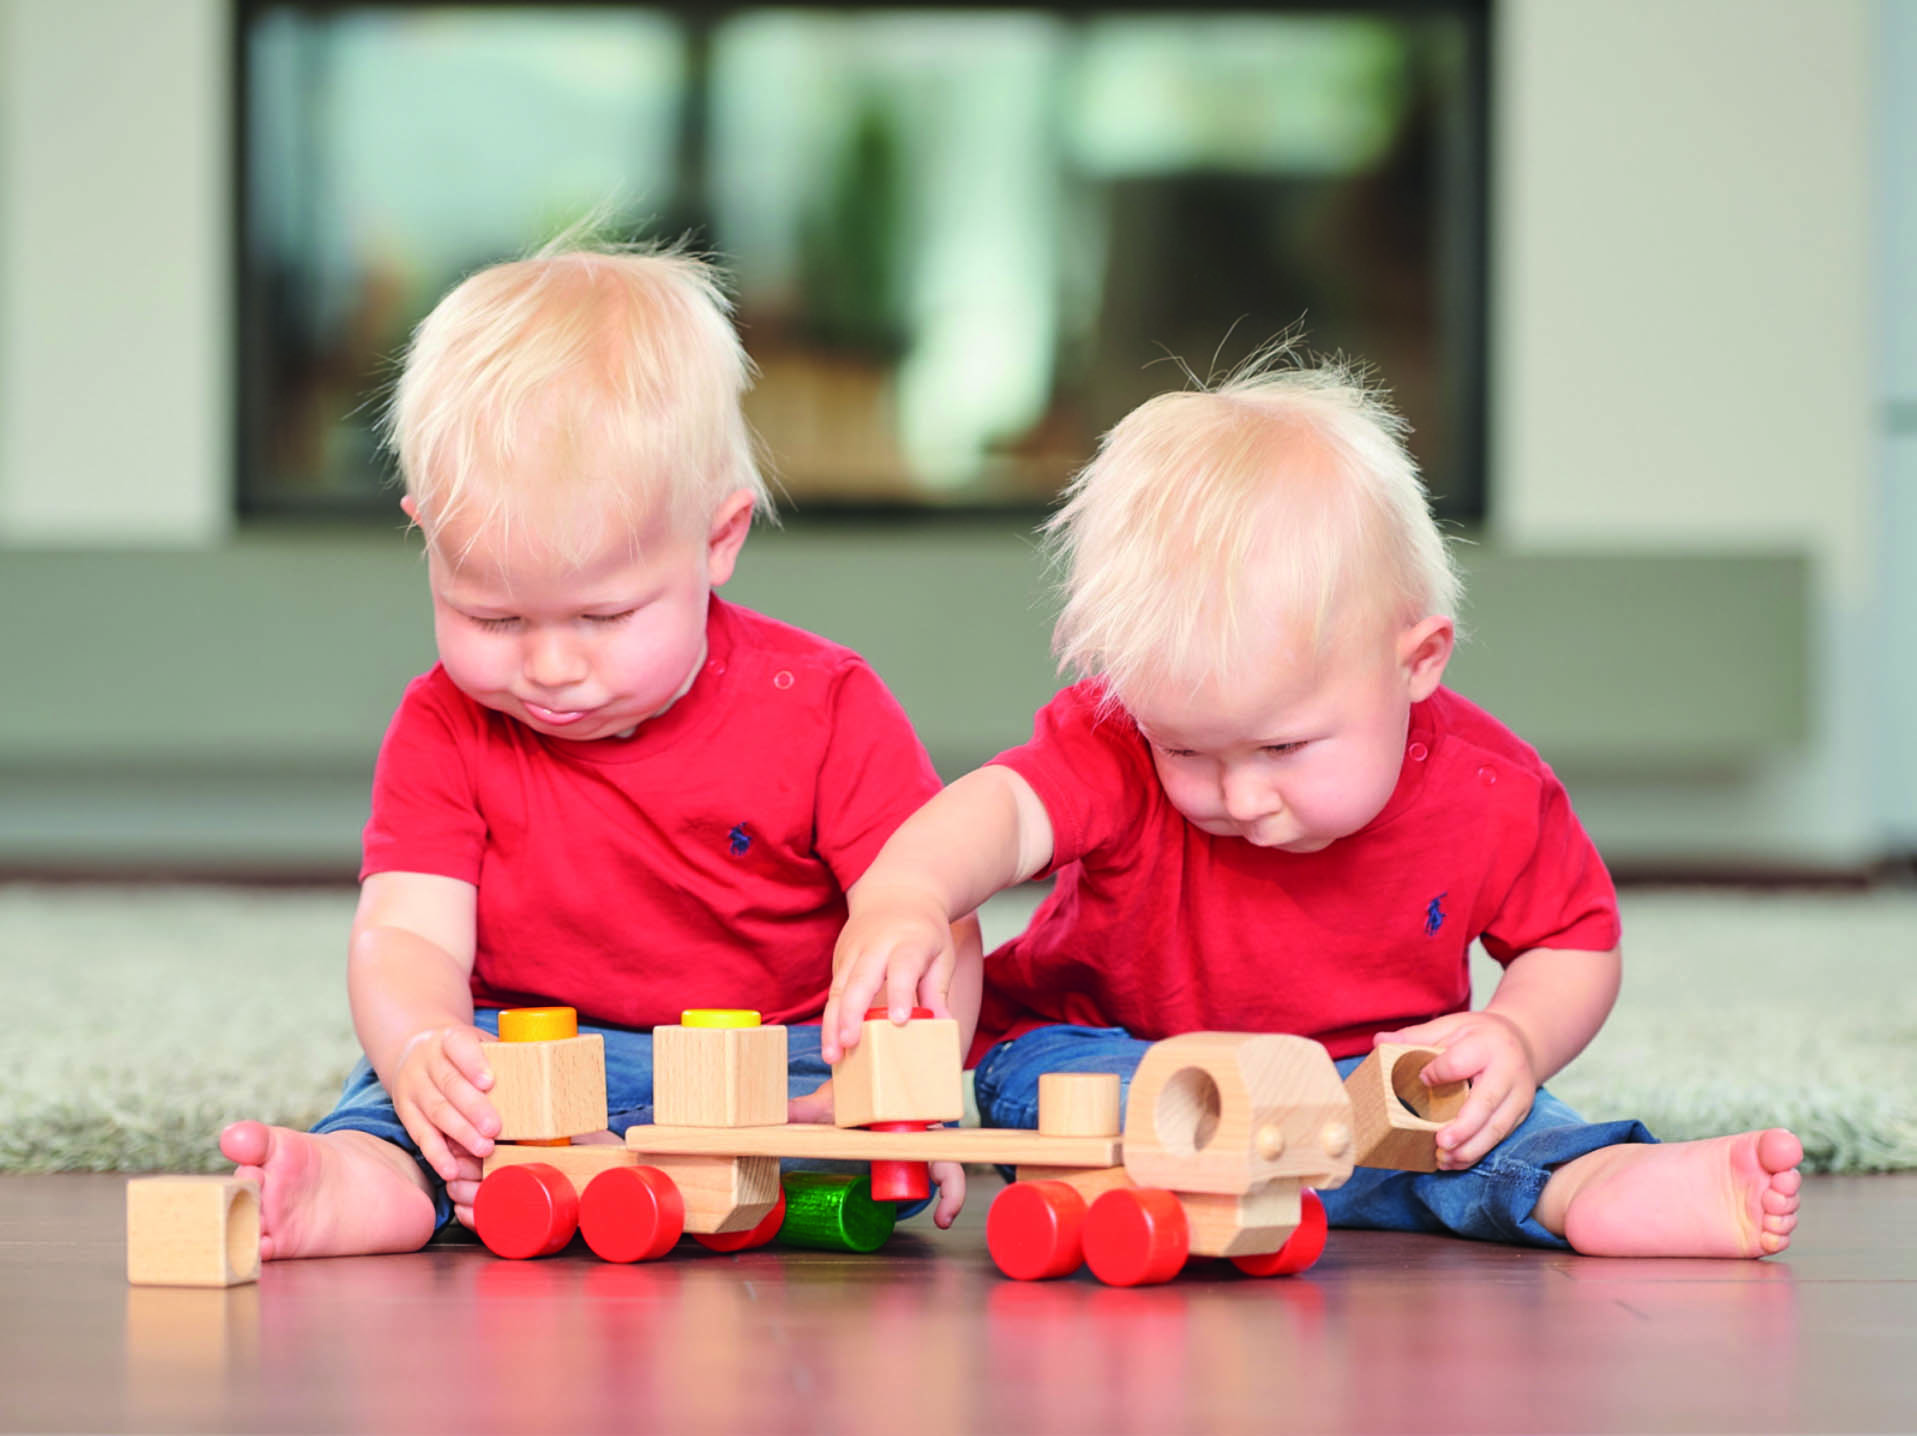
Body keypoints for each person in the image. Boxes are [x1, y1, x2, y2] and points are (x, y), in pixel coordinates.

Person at [825, 358, 1801, 1258]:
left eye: (1284, 746)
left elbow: (1574, 940)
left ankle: (1596, 1184)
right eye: (1189, 750)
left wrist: (1515, 1036)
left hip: (1363, 1082)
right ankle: (1223, 1178)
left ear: (1416, 661)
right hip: (1127, 1055)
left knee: (1480, 1115)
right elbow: (1002, 810)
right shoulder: (1117, 741)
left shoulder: (1488, 789)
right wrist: (910, 890)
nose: (1239, 794)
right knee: (1039, 1084)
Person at [222, 239, 978, 1259]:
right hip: (537, 1061)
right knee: (421, 1103)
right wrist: (419, 1046)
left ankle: (702, 1177)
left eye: (602, 614)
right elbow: (405, 936)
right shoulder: (445, 722)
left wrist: (893, 1088)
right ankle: (357, 1188)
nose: (549, 665)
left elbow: (933, 932)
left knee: (846, 1138)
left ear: (718, 540)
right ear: (425, 540)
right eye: (492, 617)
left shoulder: (827, 707)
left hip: (775, 1067)